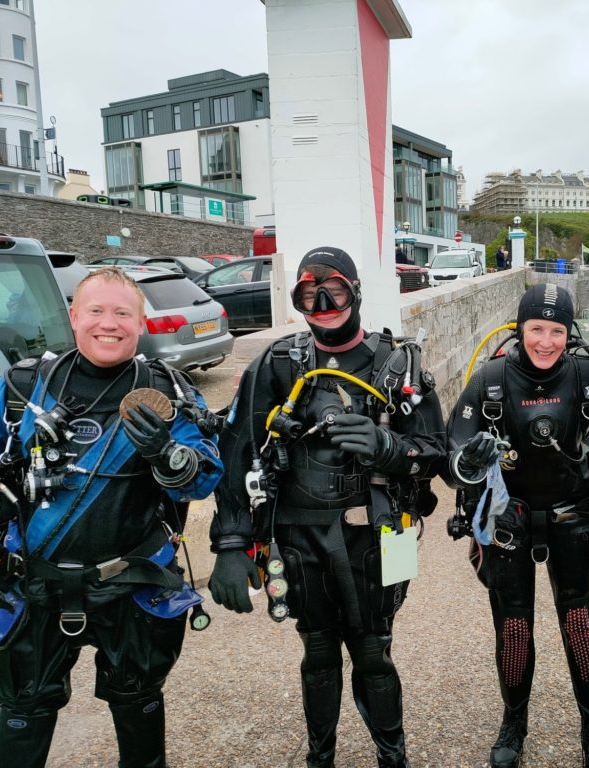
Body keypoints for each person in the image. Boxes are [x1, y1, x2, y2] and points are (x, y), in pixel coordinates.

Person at [0, 267, 223, 768]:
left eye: (123, 313)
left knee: (139, 715)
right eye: (95, 310)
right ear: (73, 316)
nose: (109, 324)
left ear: (140, 323)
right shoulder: (21, 389)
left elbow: (208, 473)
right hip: (32, 586)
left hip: (132, 586)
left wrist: (170, 456)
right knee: (22, 719)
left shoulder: (168, 392)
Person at [208, 246, 445, 768]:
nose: (323, 303)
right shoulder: (276, 364)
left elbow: (438, 454)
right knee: (317, 654)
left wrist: (390, 449)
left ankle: (393, 758)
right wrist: (229, 543)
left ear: (356, 291)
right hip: (298, 535)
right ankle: (321, 759)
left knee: (375, 653)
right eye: (308, 293)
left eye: (333, 289)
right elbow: (236, 453)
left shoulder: (399, 362)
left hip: (388, 535)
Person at [443, 283, 589, 768]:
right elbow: (452, 453)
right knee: (513, 627)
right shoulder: (490, 379)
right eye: (536, 328)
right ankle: (514, 723)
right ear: (520, 328)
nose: (546, 341)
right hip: (508, 522)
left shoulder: (586, 376)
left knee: (579, 624)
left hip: (571, 518)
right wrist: (470, 463)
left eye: (557, 330)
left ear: (568, 331)